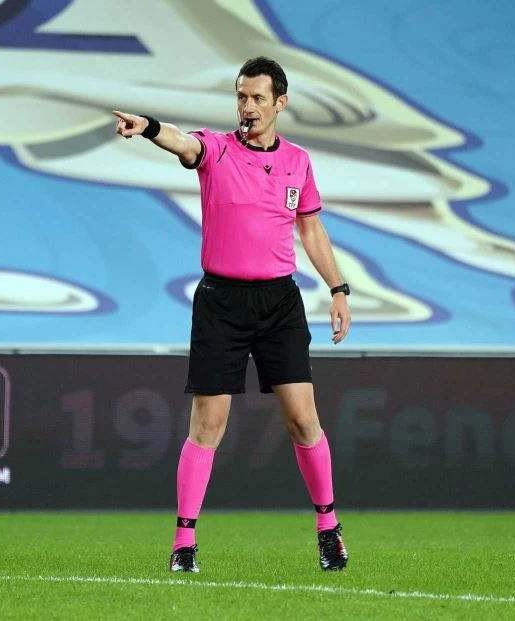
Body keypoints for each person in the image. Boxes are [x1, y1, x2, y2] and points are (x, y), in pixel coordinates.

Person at [113, 56, 351, 573]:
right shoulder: (217, 150)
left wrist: (338, 289)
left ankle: (329, 530)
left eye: (258, 98)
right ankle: (183, 544)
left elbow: (310, 229)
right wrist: (149, 127)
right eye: (241, 96)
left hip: (279, 303)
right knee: (208, 423)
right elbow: (184, 142)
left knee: (302, 419)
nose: (248, 106)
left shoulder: (298, 162)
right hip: (221, 302)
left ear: (280, 103)